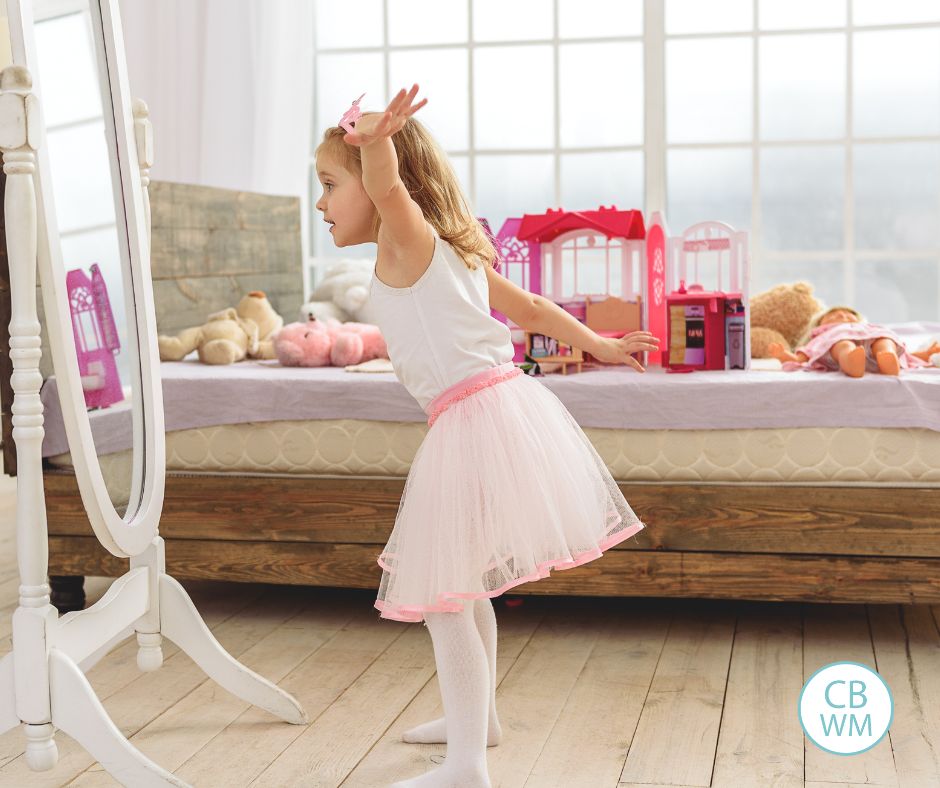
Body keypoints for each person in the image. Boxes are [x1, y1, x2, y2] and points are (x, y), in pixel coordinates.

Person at [315, 84, 658, 788]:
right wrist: (599, 343)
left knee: (443, 599)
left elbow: (387, 188)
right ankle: (482, 722)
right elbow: (531, 306)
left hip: (471, 420)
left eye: (327, 184)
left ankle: (466, 765)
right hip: (498, 410)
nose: (320, 203)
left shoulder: (406, 238)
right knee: (466, 588)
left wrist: (374, 144)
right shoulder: (450, 250)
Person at [769, 305, 930, 377]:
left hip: (873, 343)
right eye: (834, 315)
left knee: (885, 340)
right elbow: (800, 359)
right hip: (837, 346)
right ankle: (851, 361)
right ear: (819, 325)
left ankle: (887, 358)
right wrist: (782, 354)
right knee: (843, 344)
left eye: (848, 314)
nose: (842, 315)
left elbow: (908, 356)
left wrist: (926, 354)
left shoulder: (869, 328)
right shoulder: (823, 335)